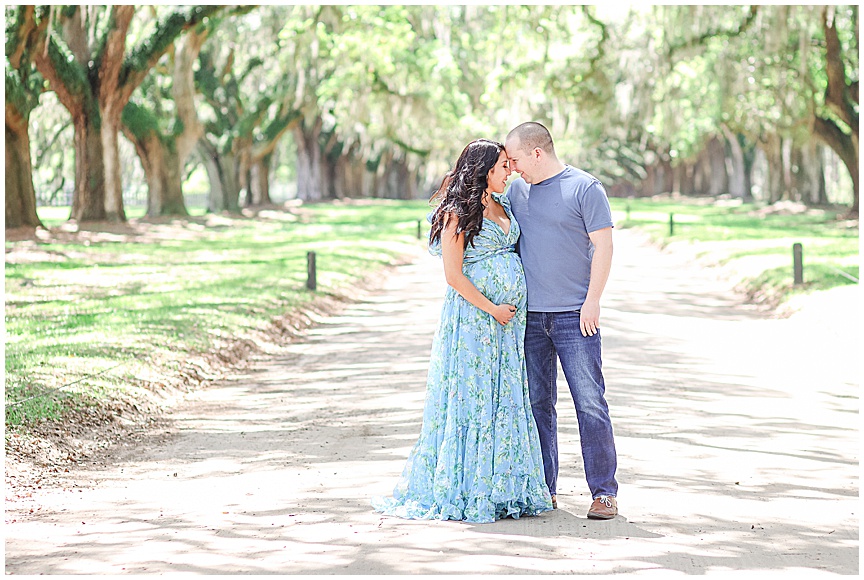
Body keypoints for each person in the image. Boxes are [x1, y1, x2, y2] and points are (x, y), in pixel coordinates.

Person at [372, 139, 553, 524]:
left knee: (504, 395)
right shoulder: (458, 212)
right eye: (504, 165)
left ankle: (504, 487)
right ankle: (471, 487)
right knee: (474, 397)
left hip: (507, 323)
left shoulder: (502, 204)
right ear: (484, 169)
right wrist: (492, 308)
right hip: (475, 322)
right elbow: (453, 276)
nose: (510, 171)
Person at [504, 122, 619, 520]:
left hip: (575, 316)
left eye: (515, 158)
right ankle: (544, 489)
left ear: (537, 153)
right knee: (538, 405)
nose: (512, 167)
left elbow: (603, 246)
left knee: (590, 404)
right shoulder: (517, 191)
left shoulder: (585, 188)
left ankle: (604, 493)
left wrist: (593, 301)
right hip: (530, 319)